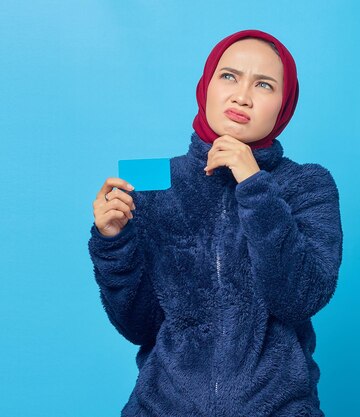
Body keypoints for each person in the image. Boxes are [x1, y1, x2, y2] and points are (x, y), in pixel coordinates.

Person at [88, 29, 343, 417]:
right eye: (229, 76)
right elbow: (139, 327)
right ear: (206, 85)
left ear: (284, 105)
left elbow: (299, 299)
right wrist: (113, 242)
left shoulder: (308, 184)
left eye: (264, 84)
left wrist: (254, 184)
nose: (242, 95)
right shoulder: (155, 183)